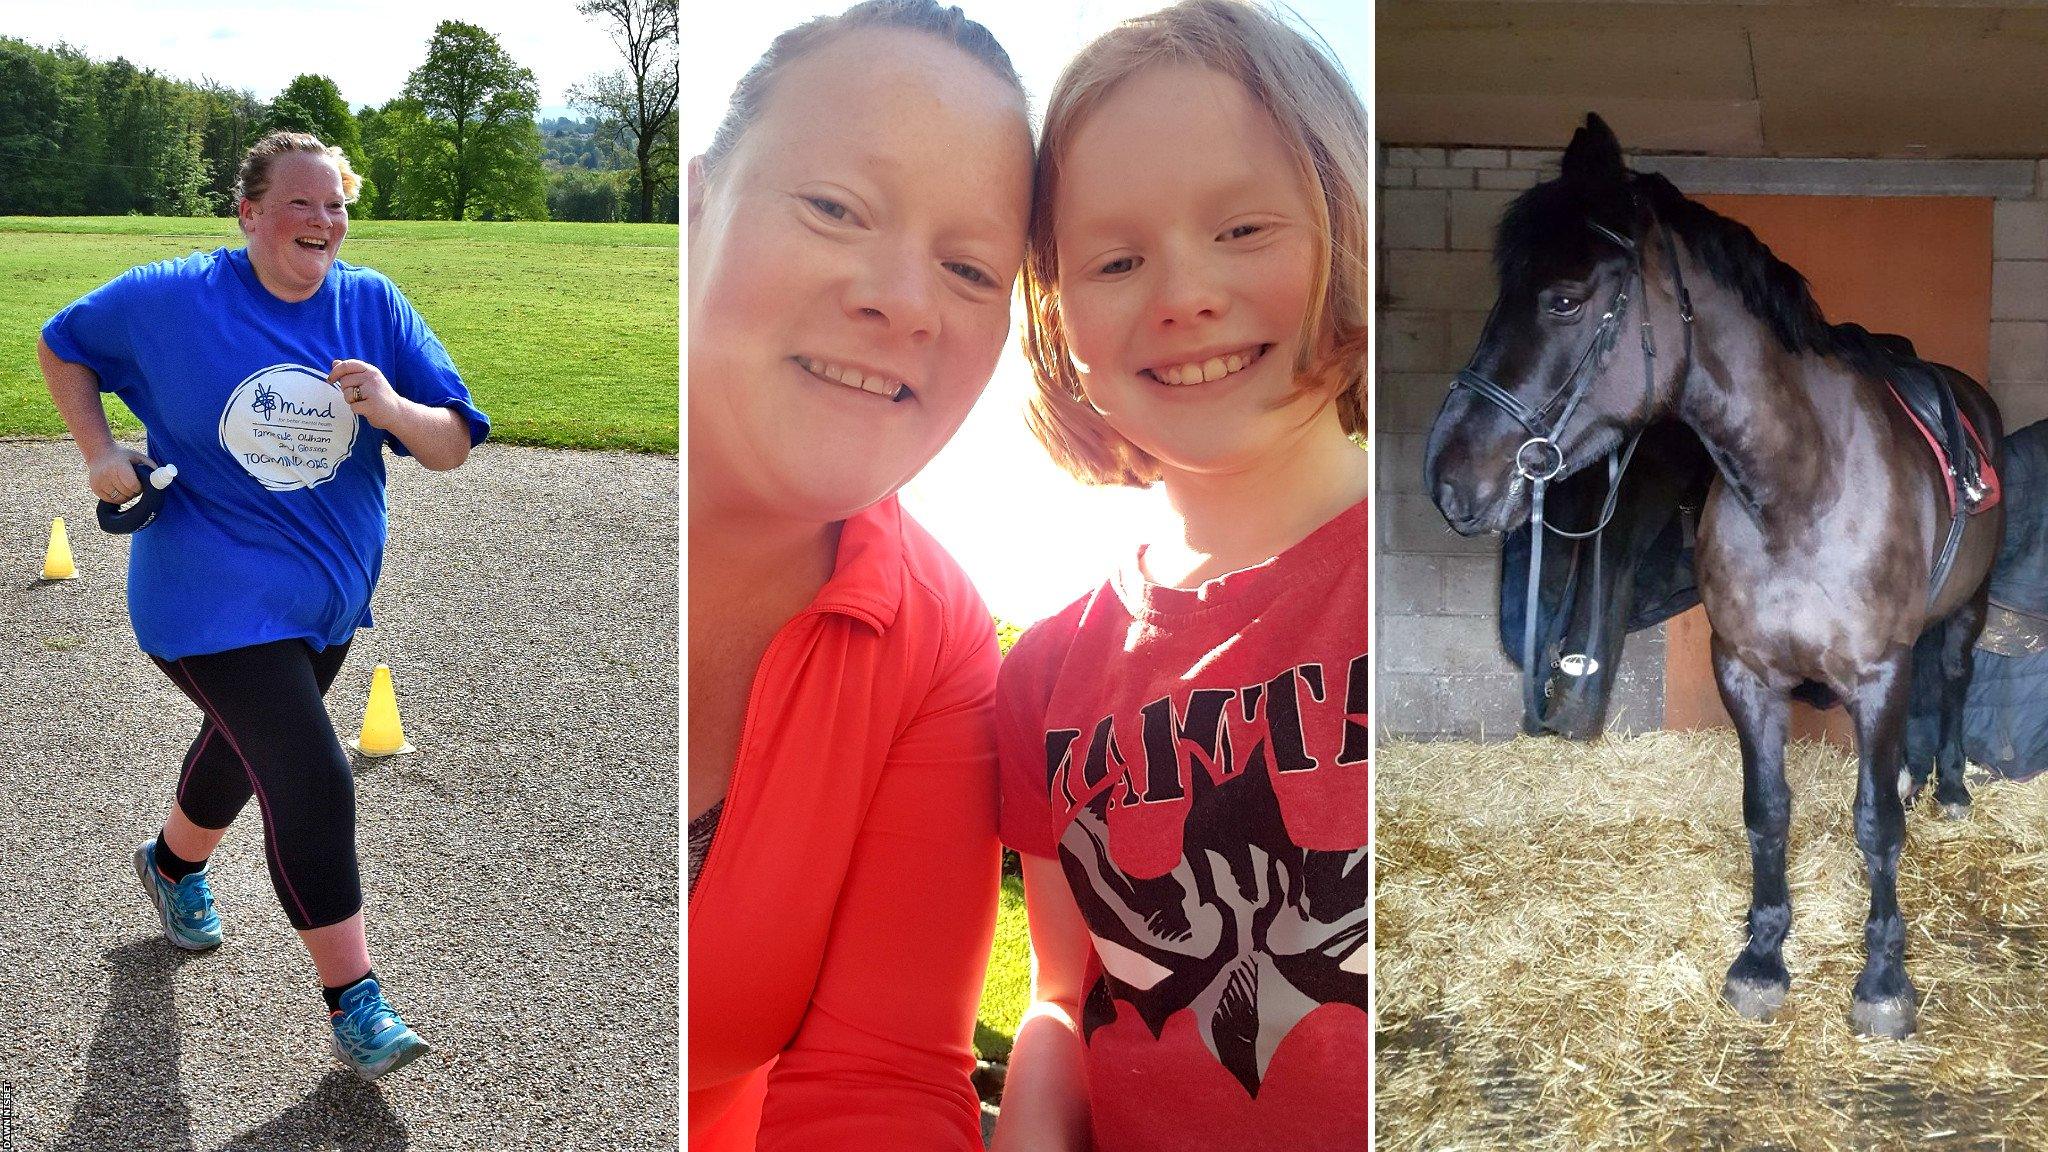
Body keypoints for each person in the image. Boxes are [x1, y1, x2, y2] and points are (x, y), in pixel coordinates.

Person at [991, 3, 1370, 1148]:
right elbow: (1063, 994)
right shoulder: (1046, 673)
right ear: (1060, 315)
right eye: (1115, 258)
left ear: (1346, 227)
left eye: (1245, 228)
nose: (1182, 292)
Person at [38, 131, 489, 1081]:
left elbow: (450, 443)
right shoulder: (171, 299)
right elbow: (62, 343)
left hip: (323, 597)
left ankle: (170, 866)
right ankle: (356, 1003)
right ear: (248, 212)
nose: (323, 222)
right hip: (202, 590)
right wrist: (99, 452)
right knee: (312, 774)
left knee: (246, 752)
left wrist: (395, 412)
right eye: (300, 203)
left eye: (336, 205)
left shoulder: (373, 305)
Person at [685, 1, 1032, 1148]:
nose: (903, 299)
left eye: (972, 267)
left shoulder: (936, 636)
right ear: (695, 208)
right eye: (835, 208)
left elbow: (878, 1077)